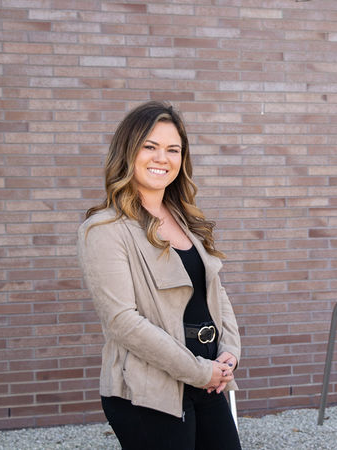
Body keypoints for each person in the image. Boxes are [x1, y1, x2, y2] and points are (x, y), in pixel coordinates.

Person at [77, 101, 242, 449]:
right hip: (148, 393)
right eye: (149, 146)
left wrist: (229, 350)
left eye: (173, 149)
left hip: (207, 380)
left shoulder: (186, 221)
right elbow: (123, 322)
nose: (161, 158)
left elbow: (215, 291)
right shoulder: (104, 230)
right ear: (128, 151)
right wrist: (199, 371)